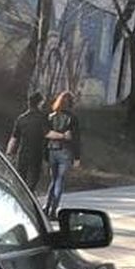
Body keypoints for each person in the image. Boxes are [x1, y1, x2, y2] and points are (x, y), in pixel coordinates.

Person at [44, 90, 81, 218]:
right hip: (65, 152)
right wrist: (77, 157)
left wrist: (45, 154)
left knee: (53, 180)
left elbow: (45, 134)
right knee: (60, 181)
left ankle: (46, 207)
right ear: (71, 103)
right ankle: (53, 211)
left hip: (51, 150)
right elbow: (75, 139)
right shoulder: (73, 118)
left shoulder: (50, 116)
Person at [6, 91, 47, 190]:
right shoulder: (43, 118)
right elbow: (48, 135)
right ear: (39, 103)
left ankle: (21, 200)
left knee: (20, 181)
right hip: (37, 154)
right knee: (33, 181)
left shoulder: (21, 118)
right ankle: (29, 199)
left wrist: (9, 152)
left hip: (23, 153)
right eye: (42, 102)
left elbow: (14, 138)